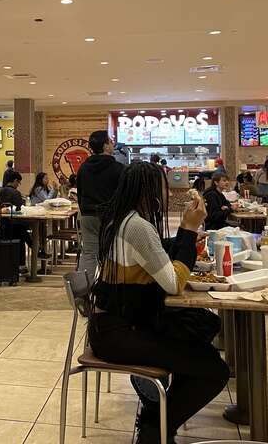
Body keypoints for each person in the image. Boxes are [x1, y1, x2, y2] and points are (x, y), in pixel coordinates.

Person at [88, 162, 229, 443]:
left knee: (201, 343)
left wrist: (185, 236)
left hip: (114, 325)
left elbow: (156, 257)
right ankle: (156, 429)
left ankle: (157, 421)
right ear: (148, 192)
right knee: (214, 370)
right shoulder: (137, 226)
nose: (168, 193)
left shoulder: (124, 220)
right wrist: (188, 231)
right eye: (163, 186)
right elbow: (173, 283)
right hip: (120, 333)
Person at [77, 130, 125, 279]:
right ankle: (108, 289)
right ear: (105, 146)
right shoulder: (118, 168)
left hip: (88, 216)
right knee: (113, 253)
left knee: (89, 254)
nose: (112, 144)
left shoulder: (83, 168)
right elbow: (123, 195)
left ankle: (83, 292)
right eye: (110, 141)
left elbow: (80, 193)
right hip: (110, 217)